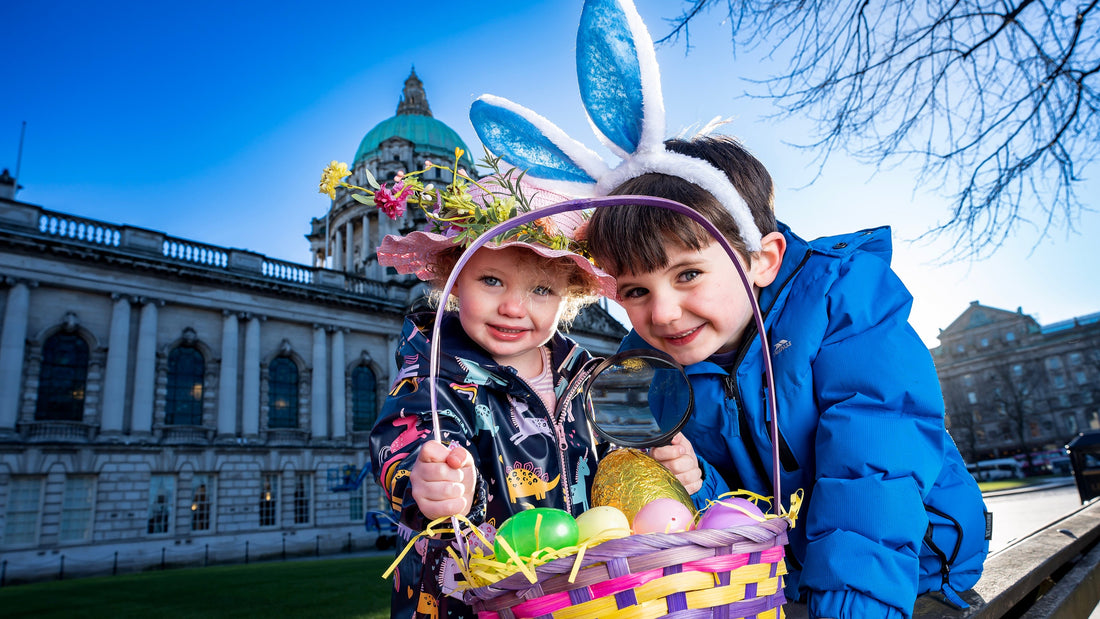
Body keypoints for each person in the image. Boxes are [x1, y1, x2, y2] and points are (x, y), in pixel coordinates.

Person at [581, 134, 990, 618]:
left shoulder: (842, 302)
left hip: (913, 569)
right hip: (784, 582)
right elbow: (738, 504)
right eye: (634, 290)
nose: (664, 313)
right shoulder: (650, 367)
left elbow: (874, 467)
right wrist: (697, 481)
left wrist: (849, 609)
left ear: (761, 259)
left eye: (688, 274)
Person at [354, 160, 617, 619]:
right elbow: (410, 434)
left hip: (577, 598)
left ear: (568, 296)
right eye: (492, 281)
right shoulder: (435, 369)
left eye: (540, 289)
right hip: (469, 601)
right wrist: (430, 476)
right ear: (453, 282)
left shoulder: (586, 373)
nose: (514, 307)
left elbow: (611, 465)